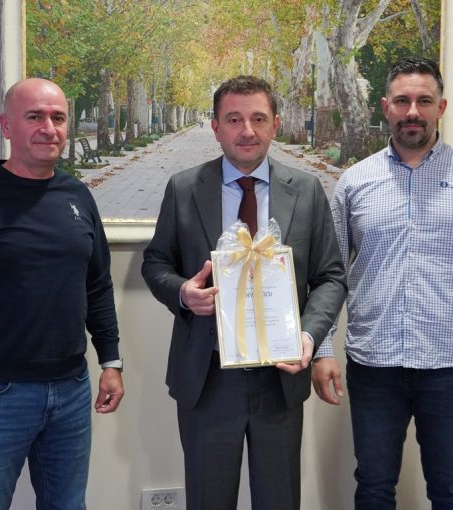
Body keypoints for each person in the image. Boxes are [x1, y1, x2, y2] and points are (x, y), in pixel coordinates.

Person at [311, 57, 453, 509]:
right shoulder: (354, 182)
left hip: (452, 367)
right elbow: (328, 275)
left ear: (441, 107)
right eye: (403, 101)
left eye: (424, 101)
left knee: (452, 492)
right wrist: (322, 348)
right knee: (373, 489)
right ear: (385, 107)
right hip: (374, 365)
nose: (413, 111)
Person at [142, 75, 346, 510]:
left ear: (275, 124)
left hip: (280, 378)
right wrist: (183, 293)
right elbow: (155, 263)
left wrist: (308, 335)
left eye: (258, 118)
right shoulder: (184, 187)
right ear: (215, 127)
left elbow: (331, 276)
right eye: (234, 119)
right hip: (207, 378)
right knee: (208, 500)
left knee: (279, 499)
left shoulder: (307, 190)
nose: (247, 130)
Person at [0, 77, 124, 510]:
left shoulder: (78, 196)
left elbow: (97, 284)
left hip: (71, 389)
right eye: (35, 117)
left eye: (58, 118)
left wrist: (111, 361)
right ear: (7, 125)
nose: (49, 128)